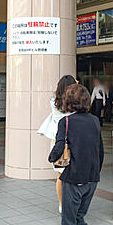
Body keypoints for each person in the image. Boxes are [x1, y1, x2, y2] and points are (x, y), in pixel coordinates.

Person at [48, 84, 112, 225]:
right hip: (92, 180)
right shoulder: (94, 121)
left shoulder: (66, 122)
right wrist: (95, 174)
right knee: (79, 221)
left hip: (74, 179)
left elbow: (58, 149)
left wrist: (51, 158)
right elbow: (100, 150)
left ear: (68, 101)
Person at [38, 74, 77, 214]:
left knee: (61, 175)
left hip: (60, 142)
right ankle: (72, 203)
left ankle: (62, 204)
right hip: (74, 141)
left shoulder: (54, 101)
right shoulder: (74, 102)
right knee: (73, 173)